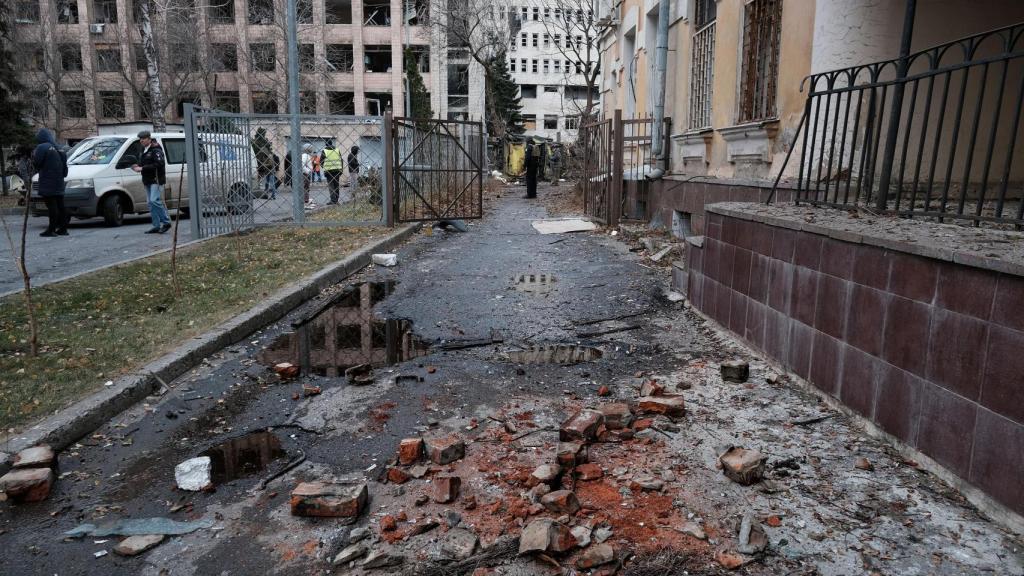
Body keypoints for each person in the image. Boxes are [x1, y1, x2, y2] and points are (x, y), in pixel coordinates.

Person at [32, 128, 69, 237]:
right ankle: (63, 229)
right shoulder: (60, 148)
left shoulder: (42, 147)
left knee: (52, 206)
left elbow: (37, 163)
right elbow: (65, 167)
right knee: (61, 206)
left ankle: (51, 230)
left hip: (48, 181)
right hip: (59, 181)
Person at [132, 130, 170, 234]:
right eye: (140, 139)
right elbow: (141, 162)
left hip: (156, 179)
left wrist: (142, 168)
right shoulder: (143, 150)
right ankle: (156, 226)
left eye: (143, 139)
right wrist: (135, 166)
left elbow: (160, 163)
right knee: (150, 203)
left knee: (154, 200)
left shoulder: (155, 149)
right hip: (147, 180)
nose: (141, 141)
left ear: (149, 139)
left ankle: (166, 222)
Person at [320, 139, 343, 204]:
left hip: (329, 171)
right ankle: (336, 199)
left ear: (326, 144)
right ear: (332, 143)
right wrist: (341, 170)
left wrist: (324, 167)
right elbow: (341, 160)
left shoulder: (324, 151)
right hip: (337, 170)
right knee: (336, 185)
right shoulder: (337, 150)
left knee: (331, 186)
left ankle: (333, 200)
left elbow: (321, 162)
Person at [301, 144, 314, 209]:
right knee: (305, 187)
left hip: (306, 173)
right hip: (305, 174)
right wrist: (307, 171)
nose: (312, 149)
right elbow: (302, 164)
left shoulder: (307, 155)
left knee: (306, 187)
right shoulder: (305, 155)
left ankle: (306, 200)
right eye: (311, 148)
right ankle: (304, 201)